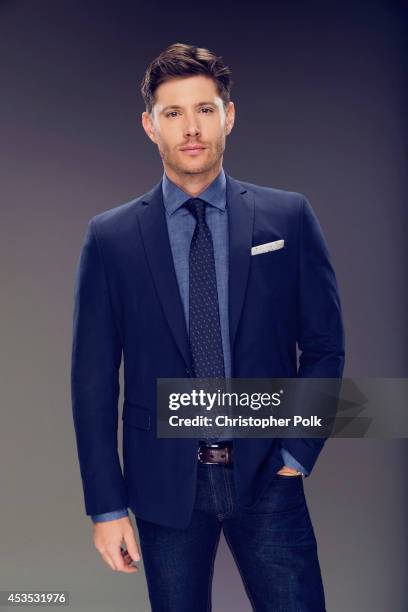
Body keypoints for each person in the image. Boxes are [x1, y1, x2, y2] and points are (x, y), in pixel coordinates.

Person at [71, 42, 345, 611]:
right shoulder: (111, 237)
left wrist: (296, 453)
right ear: (150, 126)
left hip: (269, 473)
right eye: (173, 113)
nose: (190, 127)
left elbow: (324, 346)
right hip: (163, 485)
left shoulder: (287, 216)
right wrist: (106, 506)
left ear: (229, 116)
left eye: (205, 108)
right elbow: (93, 381)